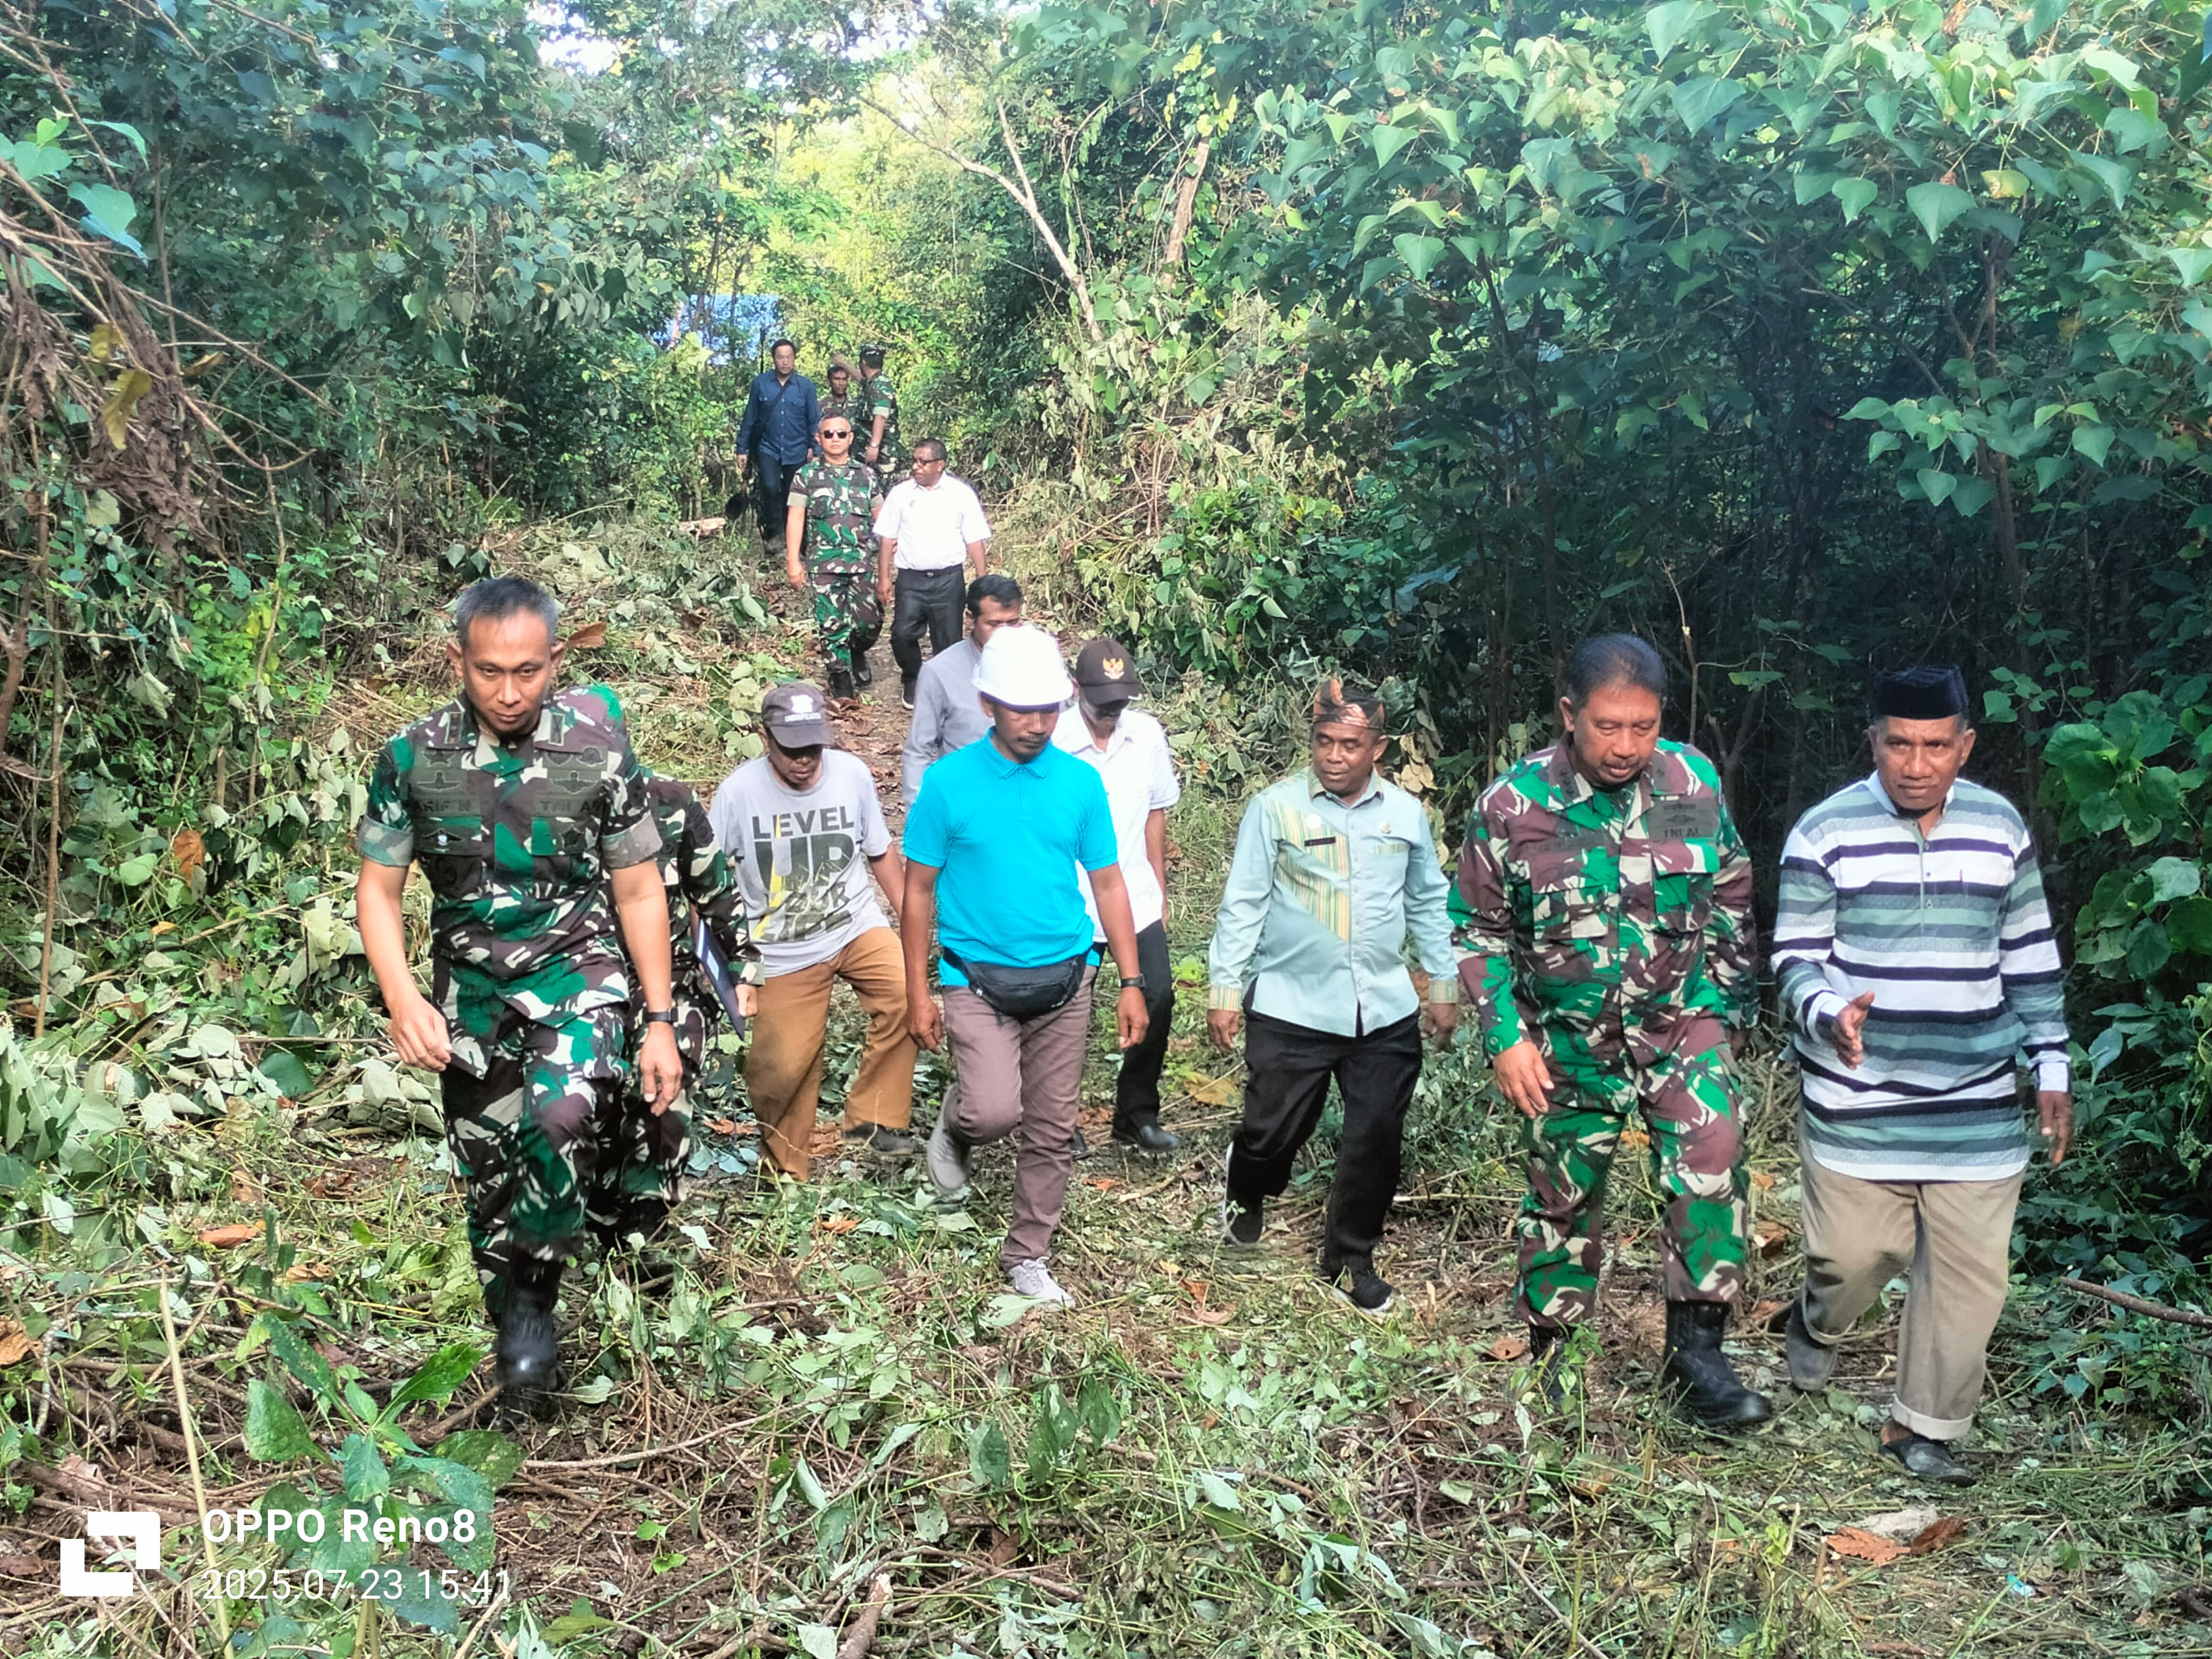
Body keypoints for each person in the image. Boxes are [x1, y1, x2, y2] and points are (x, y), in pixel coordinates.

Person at [354, 577, 682, 1415]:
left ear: (557, 660)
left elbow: (640, 889)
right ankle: (521, 1357)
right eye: (489, 671)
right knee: (491, 1176)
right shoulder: (412, 758)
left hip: (578, 974)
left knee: (562, 1116)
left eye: (528, 672)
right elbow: (379, 891)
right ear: (457, 660)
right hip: (470, 995)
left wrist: (658, 1020)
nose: (508, 692)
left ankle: (537, 1289)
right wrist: (402, 1000)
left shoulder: (598, 752)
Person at [1453, 634, 1769, 1429]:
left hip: (1679, 1022)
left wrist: (1728, 1005)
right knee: (1563, 1194)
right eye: (1607, 727)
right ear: (1569, 714)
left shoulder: (1690, 781)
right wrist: (1505, 1038)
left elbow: (1731, 887)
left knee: (1712, 1165)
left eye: (1644, 726)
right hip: (1566, 1038)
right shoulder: (1513, 806)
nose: (1626, 746)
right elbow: (1476, 931)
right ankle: (1555, 1362)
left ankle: (1697, 1360)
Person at [1773, 666, 2071, 1485]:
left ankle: (1920, 1428)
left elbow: (2030, 954)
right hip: (1857, 1094)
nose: (1916, 764)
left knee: (1971, 1276)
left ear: (1964, 746)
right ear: (1871, 741)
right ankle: (1816, 1320)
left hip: (1977, 1094)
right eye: (1899, 744)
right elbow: (1795, 959)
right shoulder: (1824, 833)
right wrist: (1829, 1014)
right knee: (1854, 1259)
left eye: (1936, 746)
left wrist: (2051, 1060)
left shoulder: (2001, 828)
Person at [903, 626, 1152, 1308]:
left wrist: (1131, 981)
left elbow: (1108, 883)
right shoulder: (947, 784)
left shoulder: (1079, 783)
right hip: (975, 977)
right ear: (987, 705)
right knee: (993, 1113)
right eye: (1022, 711)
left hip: (1065, 978)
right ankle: (959, 1120)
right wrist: (916, 992)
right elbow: (917, 890)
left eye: (1048, 710)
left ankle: (1028, 1255)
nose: (1038, 725)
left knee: (1050, 1127)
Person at [1206, 680, 1460, 1316]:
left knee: (1374, 1135)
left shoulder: (1405, 815)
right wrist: (1224, 988)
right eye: (1324, 742)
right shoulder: (1275, 809)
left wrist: (1443, 984)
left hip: (1383, 1009)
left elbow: (1428, 901)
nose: (1334, 756)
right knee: (1272, 1132)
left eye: (1350, 744)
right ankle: (1247, 1185)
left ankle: (1350, 1259)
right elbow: (1244, 902)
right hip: (1291, 1005)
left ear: (1378, 747)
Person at [709, 683, 920, 1179]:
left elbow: (880, 852)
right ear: (765, 739)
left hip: (854, 924)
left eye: (813, 747)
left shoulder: (851, 775)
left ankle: (874, 1119)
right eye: (791, 749)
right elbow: (708, 878)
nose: (804, 760)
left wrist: (912, 925)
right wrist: (726, 965)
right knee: (780, 1069)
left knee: (907, 995)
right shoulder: (738, 794)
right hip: (779, 945)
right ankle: (786, 1169)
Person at [603, 768, 760, 1253]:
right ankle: (597, 1204)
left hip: (671, 978)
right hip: (585, 978)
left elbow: (717, 891)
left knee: (665, 1085)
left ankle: (648, 1213)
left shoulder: (670, 801)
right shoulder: (550, 806)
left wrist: (743, 969)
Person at [1054, 639, 1182, 1154]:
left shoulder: (1146, 735)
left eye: (1120, 702)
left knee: (1158, 997)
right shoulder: (1054, 740)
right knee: (1065, 1011)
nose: (1112, 712)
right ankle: (1057, 1119)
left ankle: (1136, 1113)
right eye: (1102, 702)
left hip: (1133, 893)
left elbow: (1155, 814)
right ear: (1075, 689)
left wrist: (1158, 888)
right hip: (1071, 900)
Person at [874, 440, 993, 711]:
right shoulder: (901, 494)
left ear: (940, 465)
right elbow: (887, 538)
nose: (916, 467)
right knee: (902, 634)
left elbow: (974, 540)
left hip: (948, 581)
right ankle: (913, 676)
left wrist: (982, 582)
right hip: (911, 580)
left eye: (923, 462)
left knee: (948, 641)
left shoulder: (961, 495)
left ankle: (945, 689)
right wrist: (884, 578)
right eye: (914, 461)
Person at [785, 410, 886, 700]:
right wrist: (793, 561)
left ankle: (856, 651)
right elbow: (796, 518)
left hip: (861, 562)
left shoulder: (866, 476)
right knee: (831, 624)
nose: (835, 439)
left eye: (841, 433)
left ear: (851, 438)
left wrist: (889, 565)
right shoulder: (806, 476)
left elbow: (883, 521)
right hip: (824, 565)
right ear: (819, 439)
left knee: (869, 622)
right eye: (828, 434)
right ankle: (840, 678)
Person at [901, 574, 1022, 802]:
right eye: (994, 624)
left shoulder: (1039, 664)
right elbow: (919, 750)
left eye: (1013, 623)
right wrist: (919, 812)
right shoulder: (940, 672)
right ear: (970, 619)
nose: (1005, 633)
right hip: (965, 801)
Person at [733, 338, 820, 551]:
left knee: (796, 494)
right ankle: (776, 536)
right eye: (780, 357)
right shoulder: (761, 384)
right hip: (768, 447)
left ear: (795, 358)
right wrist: (742, 448)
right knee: (770, 488)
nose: (785, 362)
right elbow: (750, 417)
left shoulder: (805, 387)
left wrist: (816, 449)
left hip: (797, 448)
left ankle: (797, 540)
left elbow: (814, 421)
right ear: (774, 359)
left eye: (789, 357)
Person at [858, 342, 902, 477]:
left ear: (863, 363)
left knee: (883, 485)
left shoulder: (880, 385)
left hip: (884, 453)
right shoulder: (873, 382)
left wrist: (874, 445)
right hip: (874, 449)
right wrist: (843, 364)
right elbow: (859, 379)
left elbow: (881, 416)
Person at [819, 361, 866, 436]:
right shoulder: (821, 406)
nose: (841, 383)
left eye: (844, 379)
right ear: (829, 382)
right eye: (837, 379)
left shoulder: (858, 404)